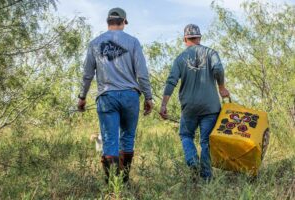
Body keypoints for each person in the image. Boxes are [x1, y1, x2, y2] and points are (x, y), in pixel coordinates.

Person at [77, 7, 153, 183]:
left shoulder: (95, 43)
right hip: (130, 97)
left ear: (107, 22)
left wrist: (82, 97)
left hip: (106, 98)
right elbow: (142, 73)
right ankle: (124, 183)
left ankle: (112, 187)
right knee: (127, 139)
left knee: (110, 140)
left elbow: (87, 74)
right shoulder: (133, 42)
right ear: (124, 22)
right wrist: (148, 97)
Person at [159, 24, 229, 181]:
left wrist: (164, 104)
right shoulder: (211, 53)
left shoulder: (180, 58)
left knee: (186, 135)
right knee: (206, 141)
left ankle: (192, 162)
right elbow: (218, 68)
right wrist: (222, 87)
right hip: (210, 106)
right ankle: (206, 177)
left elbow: (171, 81)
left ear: (185, 39)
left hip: (189, 107)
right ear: (200, 38)